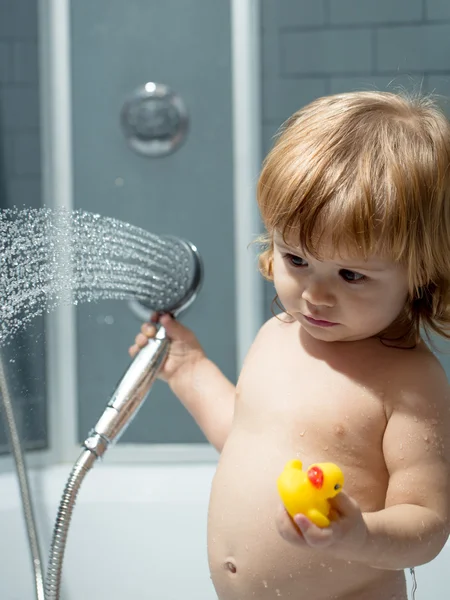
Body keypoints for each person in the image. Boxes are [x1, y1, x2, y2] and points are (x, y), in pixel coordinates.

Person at [129, 91, 450, 600]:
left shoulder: (409, 382)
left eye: (350, 274)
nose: (316, 294)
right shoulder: (278, 336)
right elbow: (245, 437)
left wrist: (361, 535)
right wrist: (189, 369)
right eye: (296, 259)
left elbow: (427, 523)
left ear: (421, 272)